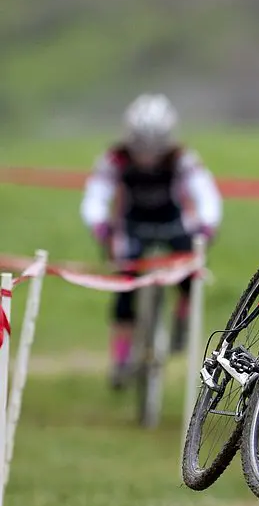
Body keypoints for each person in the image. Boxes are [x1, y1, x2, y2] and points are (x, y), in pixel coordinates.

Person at [81, 94, 223, 388]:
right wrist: (100, 225)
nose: (147, 153)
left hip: (173, 225)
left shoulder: (182, 159)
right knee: (124, 286)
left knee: (188, 271)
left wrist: (207, 226)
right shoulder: (115, 159)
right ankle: (121, 356)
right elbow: (96, 194)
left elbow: (204, 191)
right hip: (131, 227)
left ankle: (182, 312)